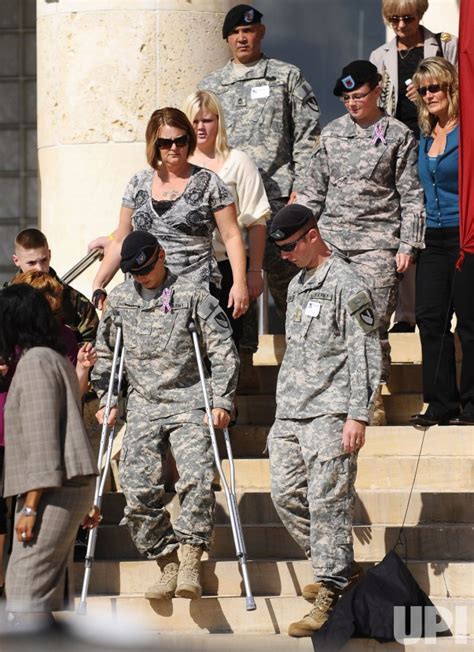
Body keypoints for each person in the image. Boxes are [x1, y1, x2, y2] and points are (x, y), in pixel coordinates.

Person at [92, 231, 239, 601]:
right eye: (134, 272)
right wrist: (107, 397)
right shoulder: (121, 302)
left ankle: (191, 555)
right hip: (143, 404)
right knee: (137, 488)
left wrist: (220, 400)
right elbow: (107, 353)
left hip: (189, 400)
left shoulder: (192, 296)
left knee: (196, 475)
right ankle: (166, 559)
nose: (142, 277)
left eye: (146, 268)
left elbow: (223, 350)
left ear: (161, 256)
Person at [267, 205, 381, 637]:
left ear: (313, 236)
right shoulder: (297, 285)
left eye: (291, 246)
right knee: (284, 495)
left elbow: (365, 350)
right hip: (292, 412)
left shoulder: (347, 284)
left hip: (331, 413)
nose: (285, 255)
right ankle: (339, 567)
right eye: (279, 250)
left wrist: (358, 414)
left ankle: (330, 589)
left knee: (329, 504)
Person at [299, 60, 425, 425]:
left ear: (377, 91)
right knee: (329, 322)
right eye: (347, 98)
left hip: (377, 245)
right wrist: (300, 238)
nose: (353, 104)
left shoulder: (398, 135)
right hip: (332, 244)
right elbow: (312, 191)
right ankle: (336, 394)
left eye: (359, 96)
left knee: (369, 323)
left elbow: (411, 195)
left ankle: (371, 398)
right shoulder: (333, 134)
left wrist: (407, 246)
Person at [199, 4, 321, 318]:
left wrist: (303, 190)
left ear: (261, 33)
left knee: (295, 293)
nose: (242, 38)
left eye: (248, 31)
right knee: (236, 302)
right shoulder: (211, 87)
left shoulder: (286, 76)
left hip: (278, 201)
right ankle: (247, 362)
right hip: (230, 207)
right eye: (235, 33)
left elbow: (308, 137)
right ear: (227, 39)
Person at [0, 284, 99, 629]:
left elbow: (45, 439)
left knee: (25, 589)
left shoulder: (37, 363)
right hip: (65, 485)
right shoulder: (48, 358)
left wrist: (30, 506)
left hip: (53, 489)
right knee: (35, 593)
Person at [91, 107, 248, 318]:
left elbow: (231, 235)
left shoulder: (210, 182)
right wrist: (99, 283)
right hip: (142, 296)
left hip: (192, 296)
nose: (174, 148)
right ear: (154, 145)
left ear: (189, 140)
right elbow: (121, 238)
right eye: (165, 143)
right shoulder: (138, 183)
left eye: (180, 141)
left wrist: (239, 283)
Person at [369, 0, 458, 333]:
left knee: (436, 224)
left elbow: (456, 89)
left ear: (421, 15)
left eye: (407, 18)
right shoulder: (380, 55)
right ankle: (406, 314)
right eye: (394, 19)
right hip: (400, 145)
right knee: (406, 227)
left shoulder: (444, 43)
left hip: (435, 140)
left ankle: (450, 305)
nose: (401, 25)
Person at [182, 89, 270, 375]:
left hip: (226, 267)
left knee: (227, 342)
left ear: (219, 121)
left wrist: (253, 273)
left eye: (207, 120)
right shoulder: (177, 164)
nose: (201, 127)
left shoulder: (238, 162)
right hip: (184, 269)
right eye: (194, 121)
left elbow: (256, 220)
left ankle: (227, 409)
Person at [410, 58, 474, 426]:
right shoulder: (423, 134)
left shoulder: (466, 132)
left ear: (451, 87)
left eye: (436, 87)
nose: (430, 94)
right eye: (423, 90)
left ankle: (472, 403)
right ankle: (441, 404)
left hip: (464, 235)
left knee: (469, 322)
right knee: (430, 318)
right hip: (432, 239)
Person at [11, 270, 97, 396]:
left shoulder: (64, 336)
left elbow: (75, 393)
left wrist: (82, 367)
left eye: (50, 308)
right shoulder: (6, 333)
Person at [12, 228, 99, 345]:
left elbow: (92, 343)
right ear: (16, 260)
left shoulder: (74, 301)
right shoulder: (8, 301)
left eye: (44, 260)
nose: (39, 268)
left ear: (50, 255)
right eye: (31, 263)